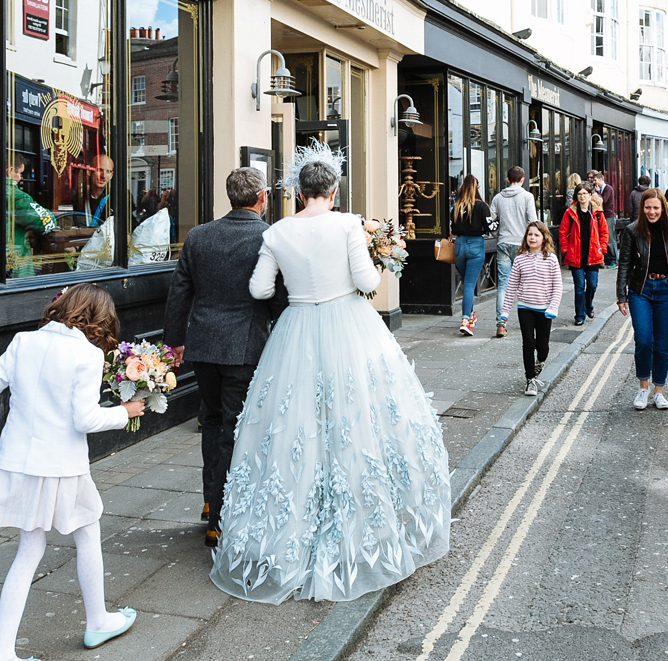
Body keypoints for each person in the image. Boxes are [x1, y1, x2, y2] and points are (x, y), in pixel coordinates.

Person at [210, 144, 451, 604]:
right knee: (357, 417)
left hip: (296, 329)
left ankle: (284, 539)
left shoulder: (276, 231)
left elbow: (259, 288)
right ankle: (363, 532)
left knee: (291, 426)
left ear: (299, 192)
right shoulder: (347, 224)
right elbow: (367, 283)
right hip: (348, 325)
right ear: (333, 190)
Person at [0, 285, 147, 661]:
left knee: (30, 550)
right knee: (87, 534)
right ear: (97, 318)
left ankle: (5, 655)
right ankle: (98, 620)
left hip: (19, 462)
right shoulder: (86, 355)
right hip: (62, 467)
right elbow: (84, 419)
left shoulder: (23, 342)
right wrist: (126, 413)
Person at [162, 168, 286, 548]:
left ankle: (207, 498)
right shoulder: (268, 236)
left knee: (211, 419)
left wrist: (174, 342)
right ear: (262, 198)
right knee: (235, 426)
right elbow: (276, 296)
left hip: (202, 344)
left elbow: (179, 292)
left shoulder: (198, 236)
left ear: (229, 197)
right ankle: (219, 517)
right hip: (244, 348)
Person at [617, 188, 668, 411]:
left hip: (666, 289)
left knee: (661, 344)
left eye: (656, 208)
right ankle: (643, 387)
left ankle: (659, 391)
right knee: (644, 340)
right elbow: (624, 264)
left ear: (663, 209)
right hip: (641, 289)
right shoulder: (632, 231)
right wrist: (621, 295)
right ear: (642, 208)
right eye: (647, 207)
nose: (651, 212)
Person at [499, 221, 562, 396]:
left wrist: (553, 307)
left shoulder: (550, 259)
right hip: (525, 307)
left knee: (543, 347)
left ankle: (540, 361)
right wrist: (504, 312)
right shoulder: (519, 259)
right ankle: (530, 380)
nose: (532, 238)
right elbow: (510, 287)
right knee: (528, 343)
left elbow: (558, 286)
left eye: (536, 235)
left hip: (545, 310)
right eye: (530, 234)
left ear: (544, 238)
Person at [490, 166, 538, 338]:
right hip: (522, 246)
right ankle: (530, 321)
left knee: (503, 285)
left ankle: (501, 324)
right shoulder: (527, 196)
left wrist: (497, 235)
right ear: (523, 180)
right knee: (526, 284)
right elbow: (533, 222)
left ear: (507, 179)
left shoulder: (497, 198)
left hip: (503, 243)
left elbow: (491, 221)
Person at [559, 182, 609, 326]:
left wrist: (602, 249)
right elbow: (562, 234)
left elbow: (604, 233)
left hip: (593, 255)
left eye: (585, 194)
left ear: (589, 195)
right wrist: (565, 250)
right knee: (579, 287)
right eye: (579, 194)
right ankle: (580, 315)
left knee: (592, 285)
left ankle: (589, 305)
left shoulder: (598, 213)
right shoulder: (570, 213)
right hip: (576, 255)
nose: (582, 196)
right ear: (576, 196)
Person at [451, 175, 493, 336]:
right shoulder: (482, 206)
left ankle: (471, 314)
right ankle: (465, 320)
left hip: (460, 245)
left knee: (465, 282)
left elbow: (453, 229)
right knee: (469, 284)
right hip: (476, 245)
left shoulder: (456, 206)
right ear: (477, 187)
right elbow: (489, 227)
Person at [591, 170, 619, 268]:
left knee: (610, 238)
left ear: (600, 179)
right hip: (602, 216)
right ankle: (608, 260)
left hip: (609, 215)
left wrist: (597, 193)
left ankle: (614, 260)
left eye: (595, 180)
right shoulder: (598, 189)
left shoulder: (608, 189)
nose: (594, 182)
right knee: (604, 238)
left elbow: (603, 200)